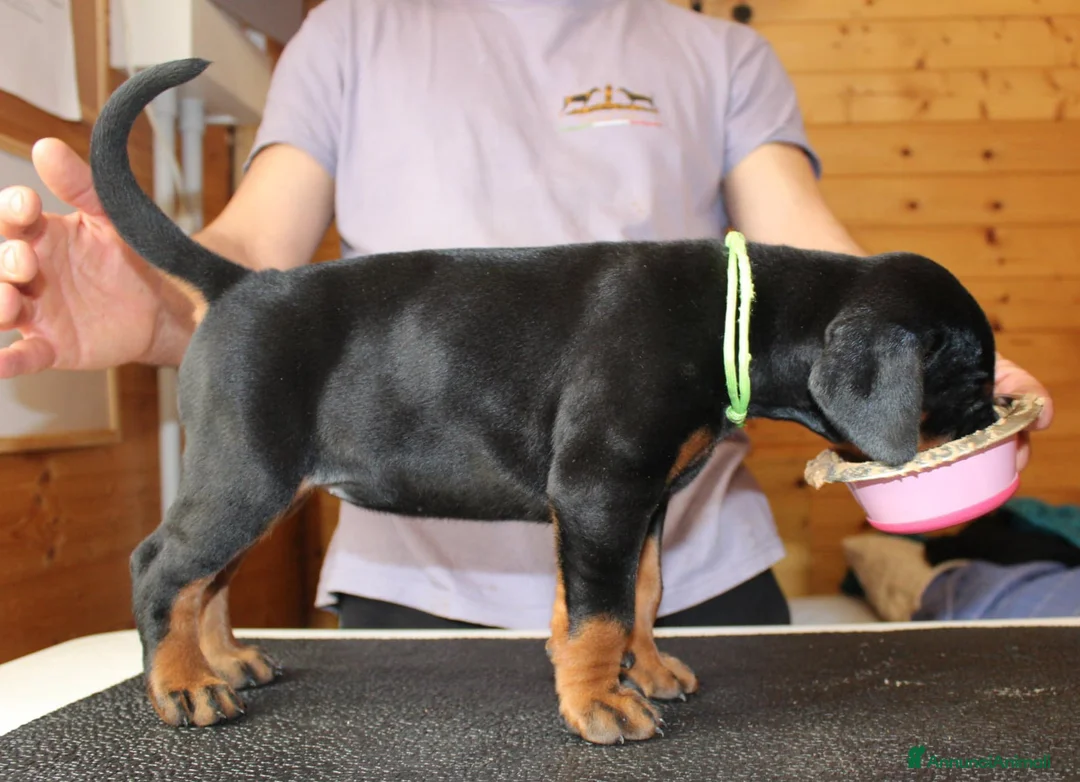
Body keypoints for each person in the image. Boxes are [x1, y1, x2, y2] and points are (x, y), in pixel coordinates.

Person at [0, 0, 1053, 631]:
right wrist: (144, 302)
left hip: (694, 581)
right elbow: (255, 279)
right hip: (410, 586)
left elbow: (825, 272)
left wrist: (938, 373)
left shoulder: (723, 54)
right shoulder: (349, 33)